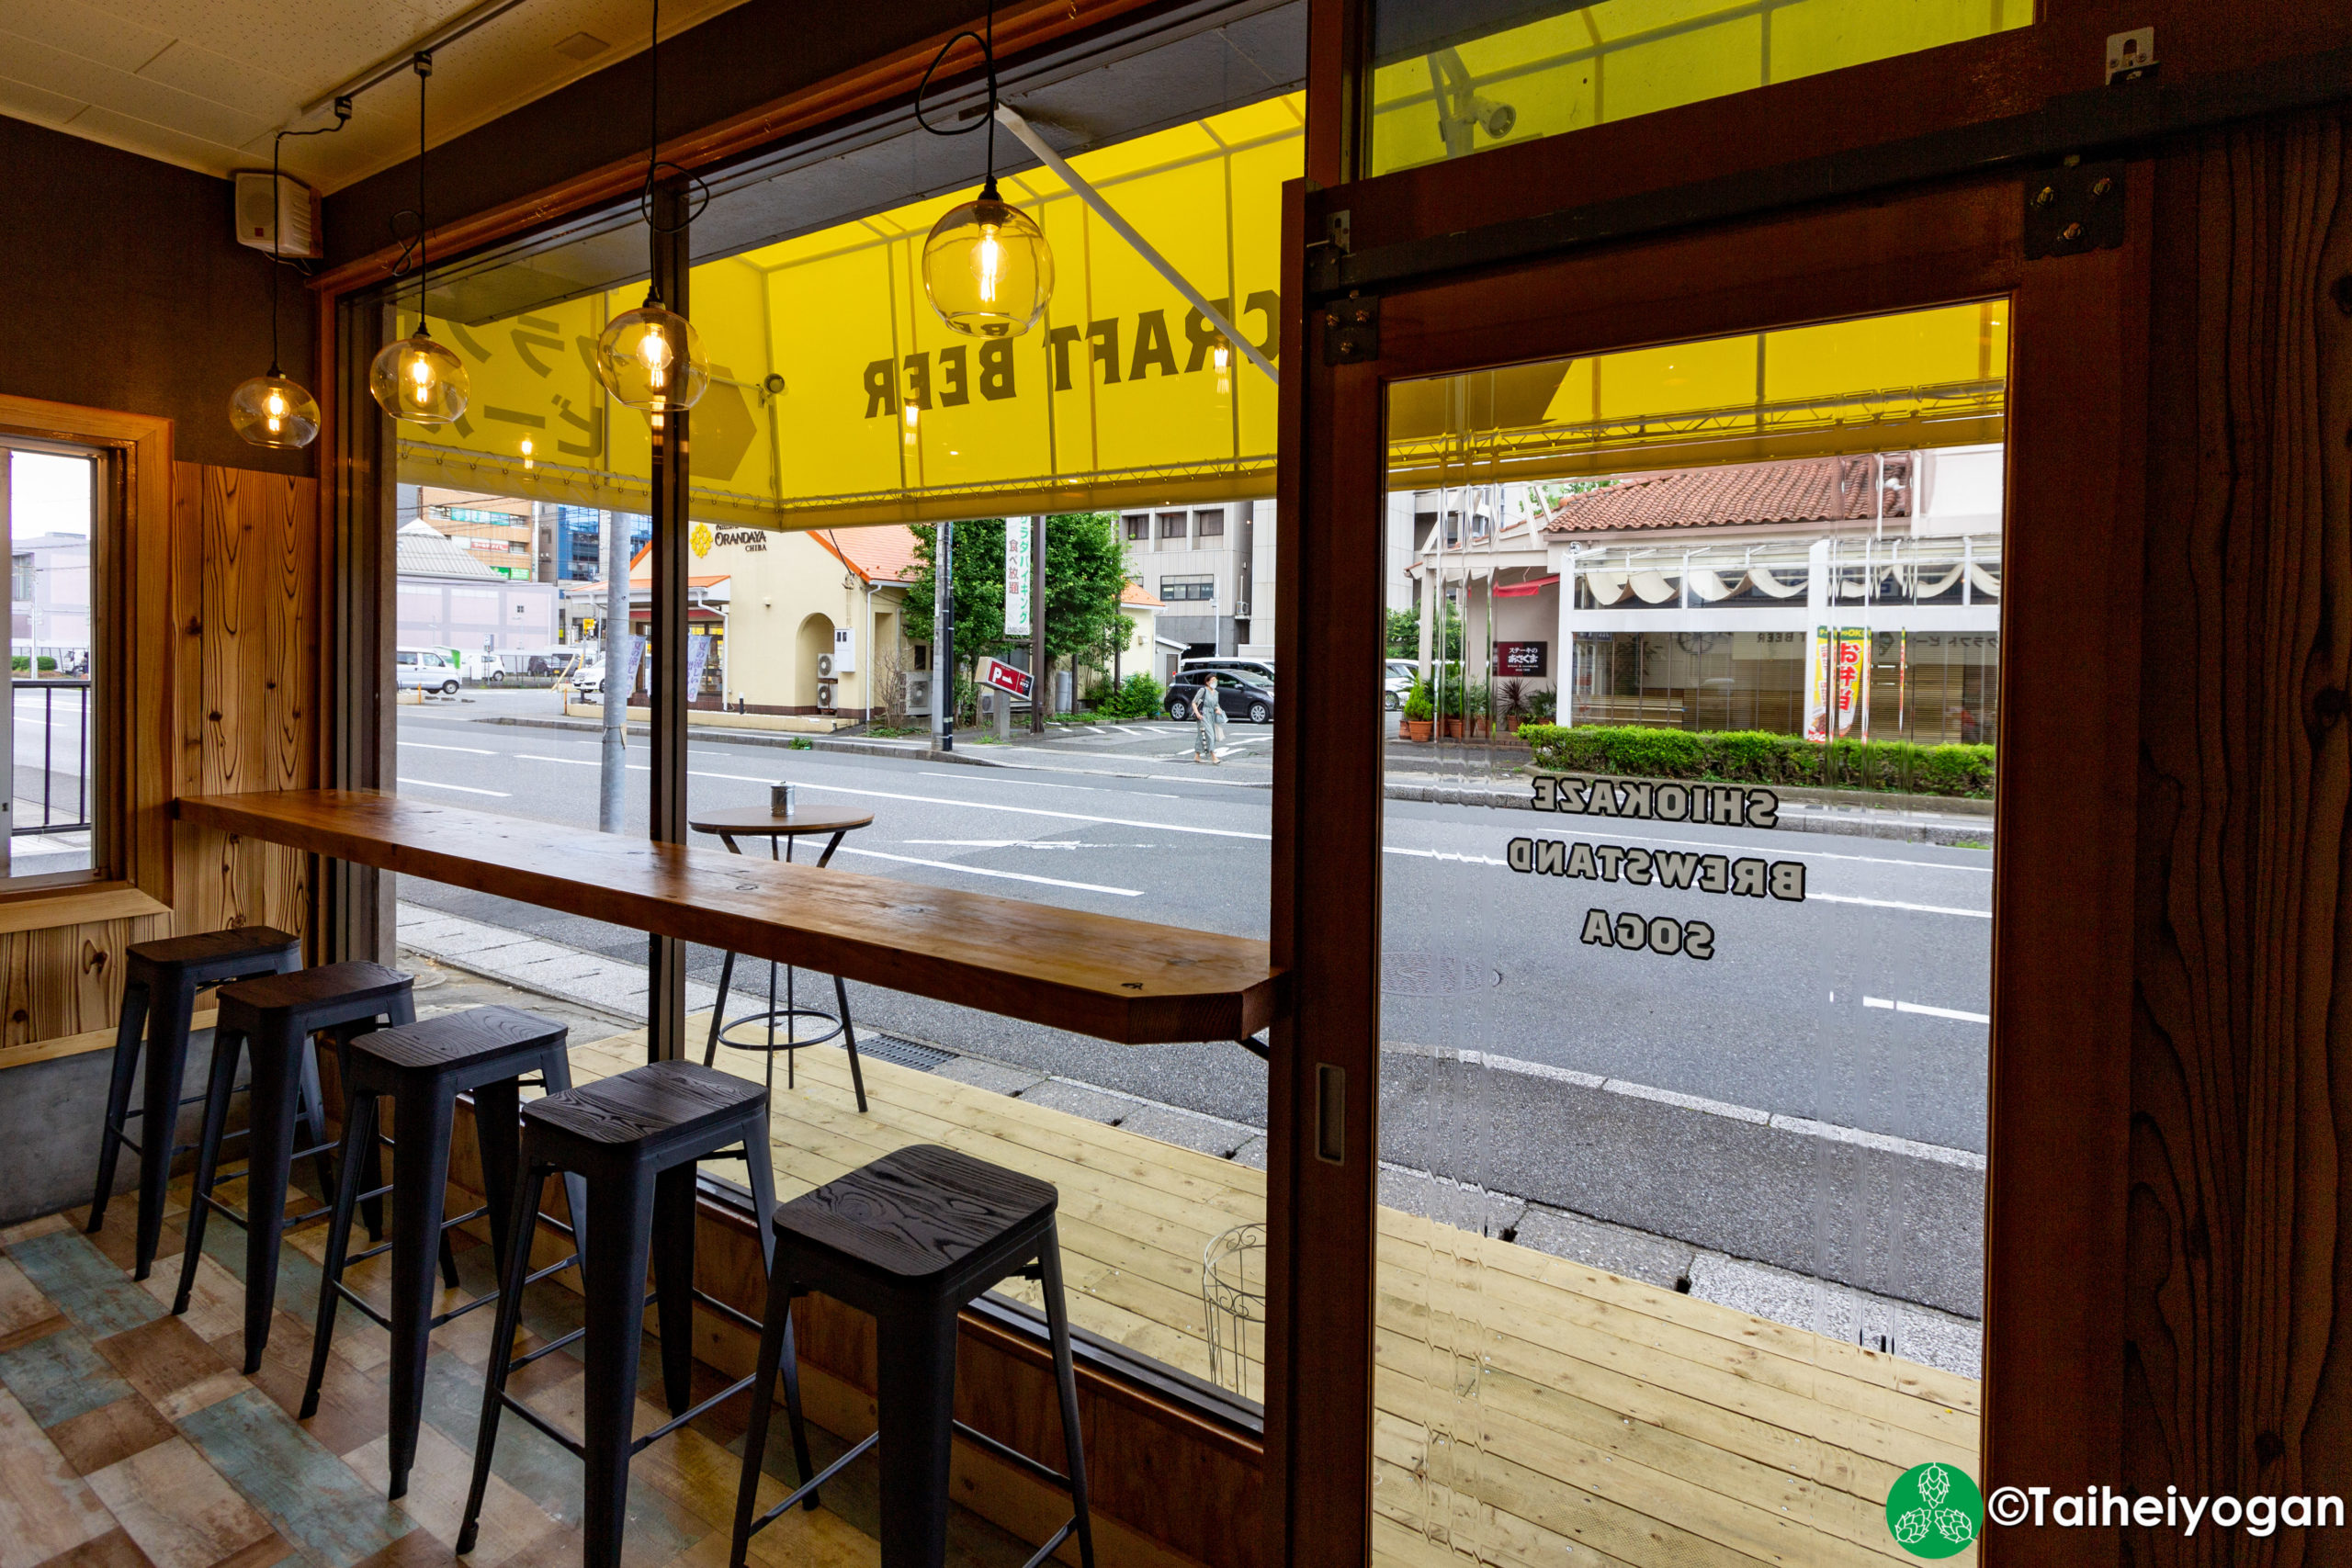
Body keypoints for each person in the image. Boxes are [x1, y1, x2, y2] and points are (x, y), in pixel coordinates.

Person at [1192, 673, 1228, 763]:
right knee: (1210, 736)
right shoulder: (1203, 690)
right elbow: (1194, 702)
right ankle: (1213, 756)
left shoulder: (1216, 693)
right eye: (1212, 680)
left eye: (1215, 680)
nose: (1214, 682)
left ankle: (1197, 755)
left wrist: (1217, 709)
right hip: (1203, 715)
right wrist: (1197, 714)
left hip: (1212, 716)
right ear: (1207, 682)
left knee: (1202, 735)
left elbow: (1216, 704)